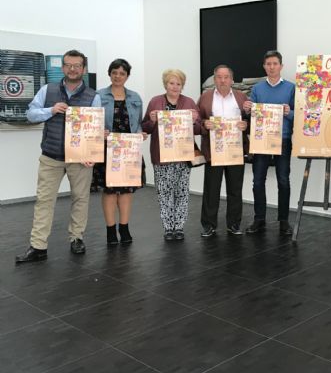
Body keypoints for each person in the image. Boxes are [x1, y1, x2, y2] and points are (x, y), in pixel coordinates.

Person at [16, 49, 101, 263]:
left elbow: (96, 130)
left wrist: (92, 151)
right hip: (51, 157)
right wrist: (50, 110)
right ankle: (38, 246)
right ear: (62, 67)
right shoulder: (48, 90)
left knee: (80, 199)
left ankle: (76, 238)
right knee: (44, 200)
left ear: (84, 69)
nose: (72, 69)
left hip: (80, 160)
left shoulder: (94, 96)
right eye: (68, 65)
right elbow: (30, 114)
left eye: (77, 65)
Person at [142, 69, 200, 241]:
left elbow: (199, 129)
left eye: (178, 83)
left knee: (182, 191)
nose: (175, 87)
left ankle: (179, 226)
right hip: (162, 155)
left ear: (182, 86)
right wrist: (152, 120)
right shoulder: (155, 101)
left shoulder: (189, 102)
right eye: (171, 83)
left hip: (183, 154)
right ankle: (168, 227)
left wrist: (195, 120)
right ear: (165, 84)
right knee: (164, 192)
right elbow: (145, 128)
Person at [93, 59, 145, 245]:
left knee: (126, 191)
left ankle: (124, 227)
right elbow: (92, 122)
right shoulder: (98, 95)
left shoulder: (135, 97)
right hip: (107, 150)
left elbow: (138, 123)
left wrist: (140, 133)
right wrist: (99, 132)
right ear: (109, 74)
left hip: (129, 149)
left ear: (127, 76)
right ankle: (110, 230)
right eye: (114, 72)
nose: (118, 76)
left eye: (122, 73)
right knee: (109, 192)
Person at [242, 50, 295, 235]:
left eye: (275, 63)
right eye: (268, 64)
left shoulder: (291, 88)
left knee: (283, 181)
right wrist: (247, 109)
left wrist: (290, 113)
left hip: (284, 139)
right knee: (257, 181)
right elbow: (251, 114)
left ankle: (284, 221)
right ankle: (259, 219)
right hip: (261, 139)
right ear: (264, 66)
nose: (271, 67)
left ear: (281, 66)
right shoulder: (257, 89)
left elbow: (301, 117)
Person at [197, 64, 249, 237]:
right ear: (214, 78)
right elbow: (196, 123)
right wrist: (205, 124)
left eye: (226, 77)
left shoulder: (242, 97)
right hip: (214, 150)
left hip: (235, 150)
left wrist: (246, 125)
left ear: (232, 79)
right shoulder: (205, 97)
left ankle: (234, 224)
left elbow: (251, 121)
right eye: (219, 77)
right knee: (211, 189)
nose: (222, 80)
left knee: (235, 189)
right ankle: (208, 224)